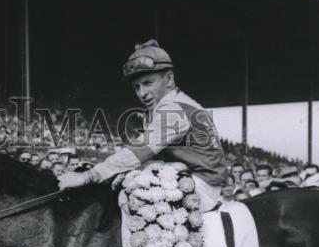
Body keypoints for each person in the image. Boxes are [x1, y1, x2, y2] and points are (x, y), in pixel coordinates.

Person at [58, 40, 227, 214]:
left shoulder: (173, 109)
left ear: (169, 78)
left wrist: (88, 176)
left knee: (131, 202)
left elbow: (138, 152)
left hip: (202, 187)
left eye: (148, 83)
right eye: (136, 87)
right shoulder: (174, 103)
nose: (141, 93)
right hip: (196, 179)